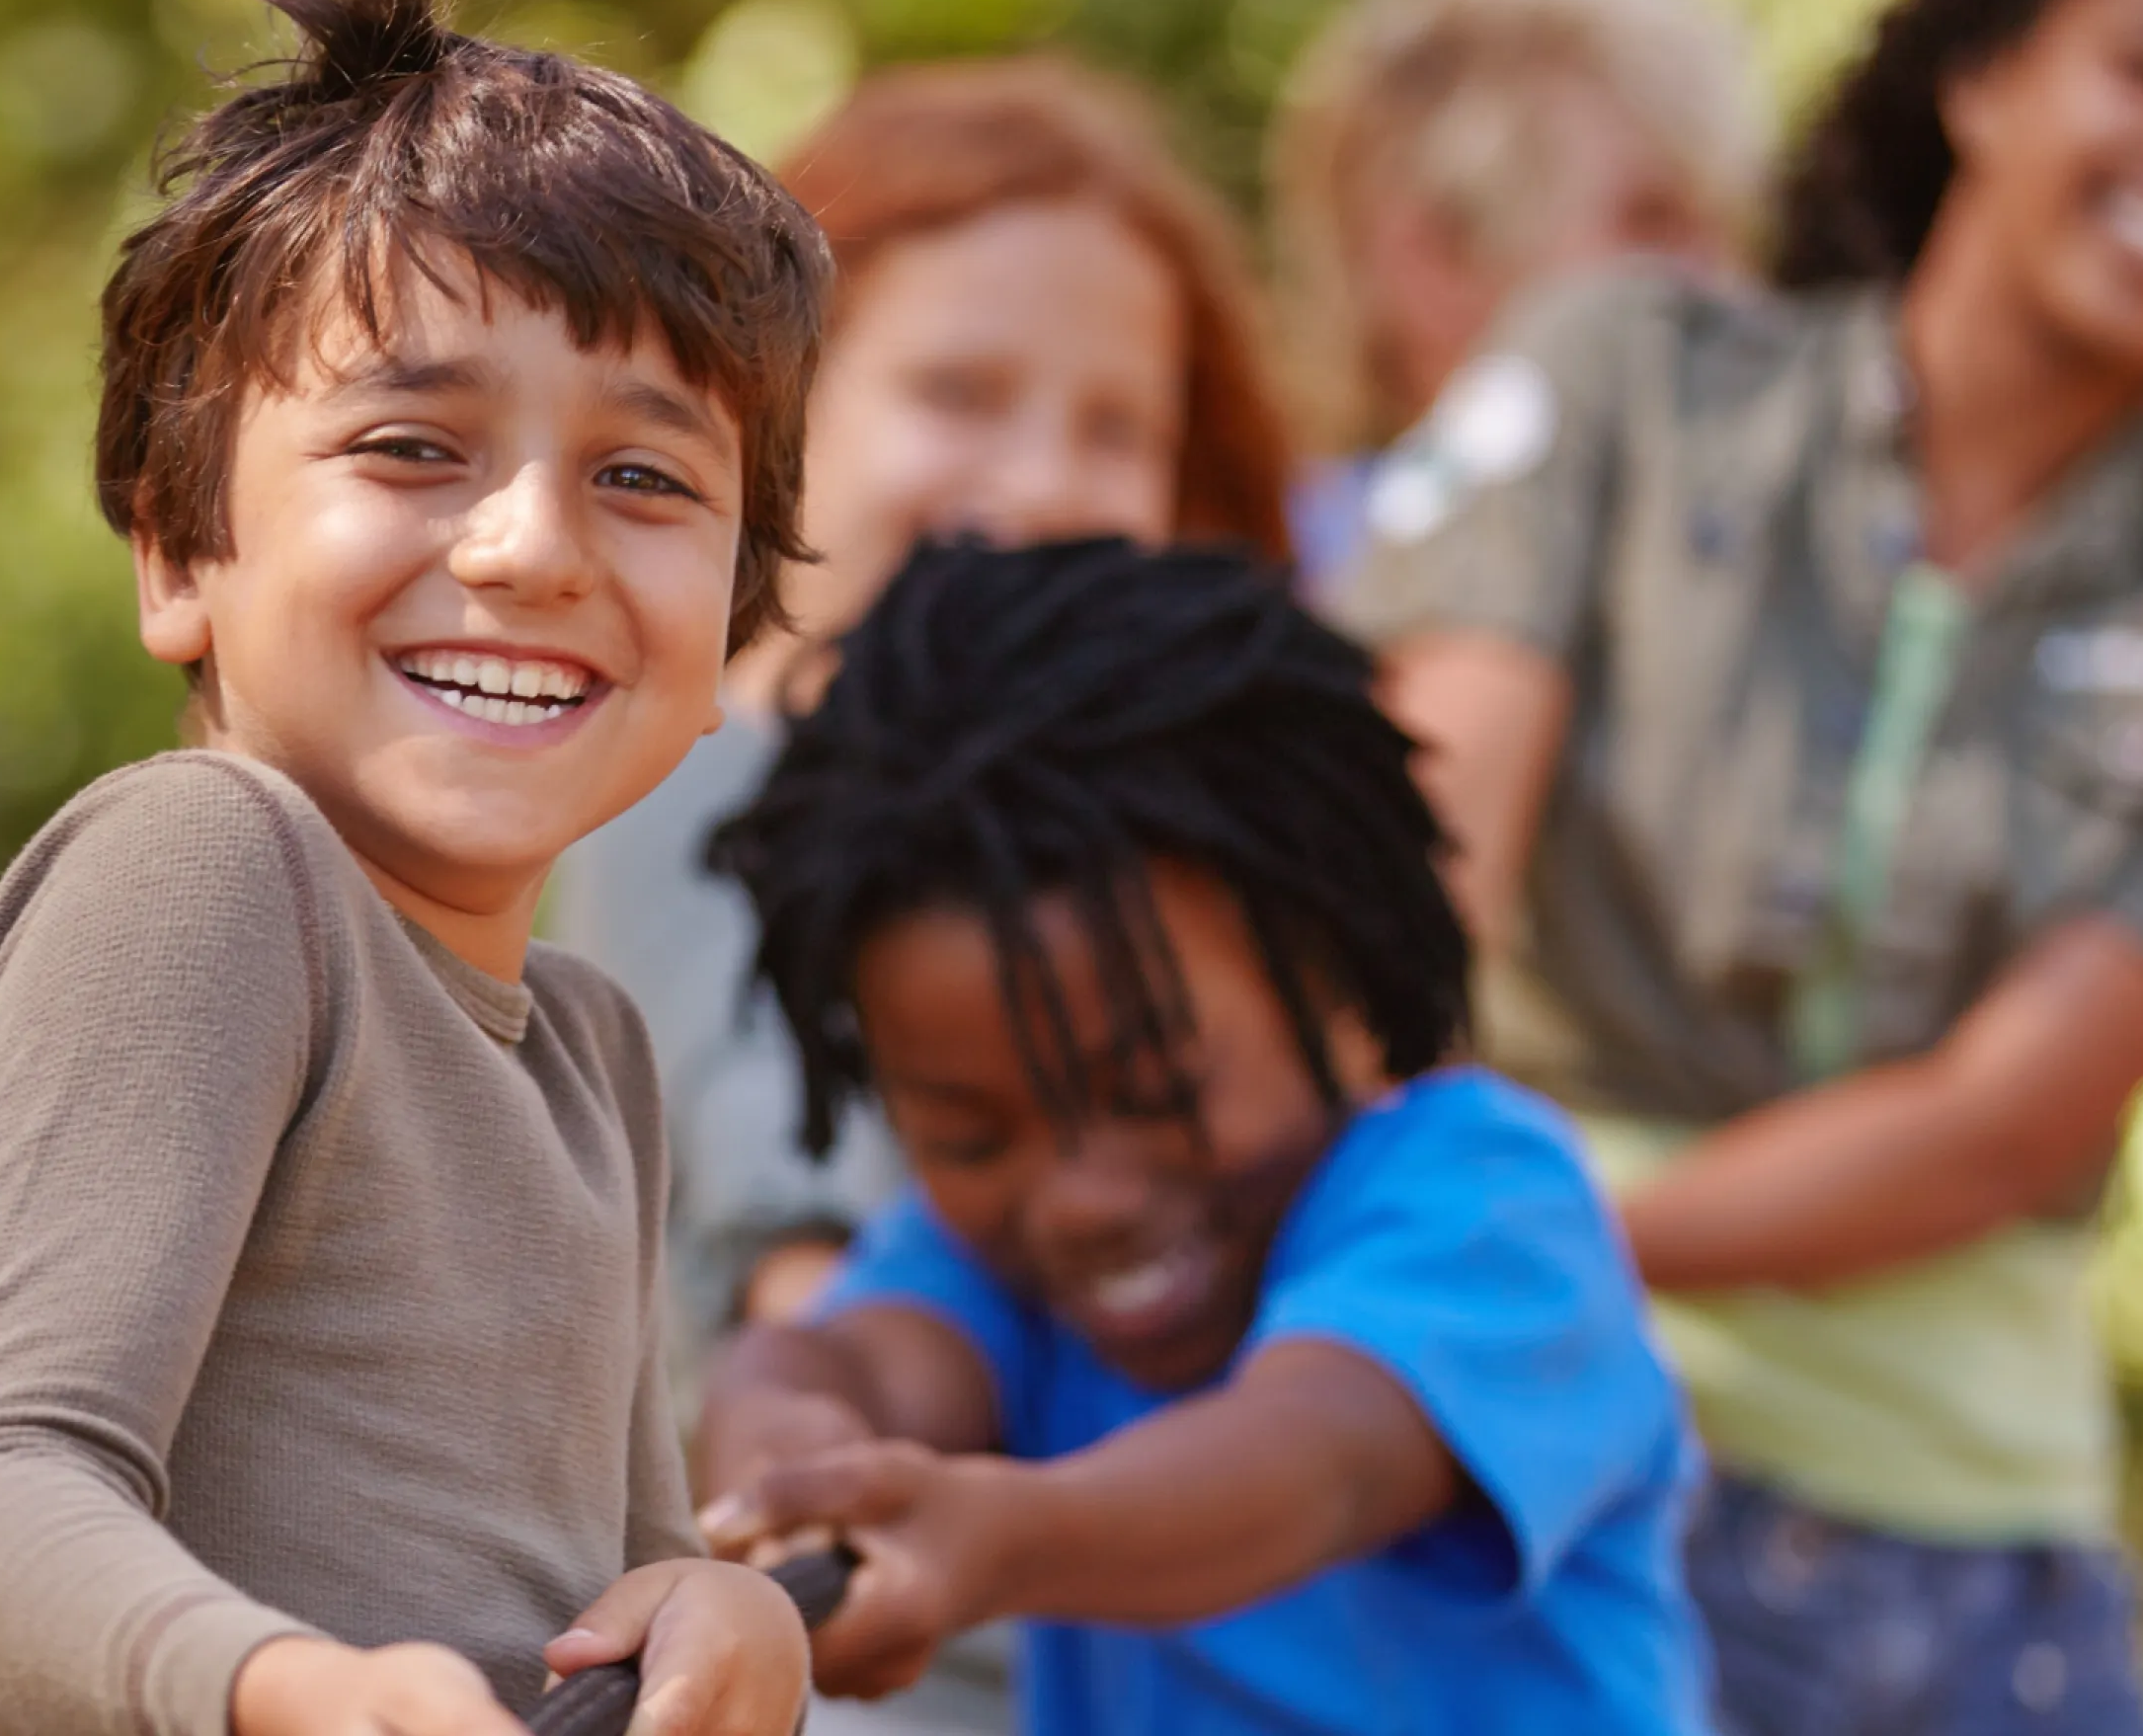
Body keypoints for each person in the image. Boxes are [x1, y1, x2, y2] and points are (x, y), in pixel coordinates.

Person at [1344, 0, 2143, 1735]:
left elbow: (2012, 1125)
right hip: (1534, 1490)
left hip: (1976, 1593)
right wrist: (1420, 1282)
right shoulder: (1625, 374)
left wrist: (1537, 1235)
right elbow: (1406, 859)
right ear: (1991, 64)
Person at [0, 0, 827, 1736]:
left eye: (641, 477)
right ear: (174, 544)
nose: (530, 547)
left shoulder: (592, 1052)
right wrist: (286, 1689)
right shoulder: (212, 873)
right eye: (410, 448)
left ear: (733, 630)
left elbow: (589, 1597)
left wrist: (712, 1607)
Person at [546, 58, 1293, 1734]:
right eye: (960, 390)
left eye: (1118, 429)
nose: (1035, 487)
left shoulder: (1205, 863)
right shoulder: (701, 780)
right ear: (777, 414)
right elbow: (795, 1257)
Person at [690, 537, 1707, 1734]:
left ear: (1332, 975)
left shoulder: (1483, 1207)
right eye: (969, 1138)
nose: (1081, 1201)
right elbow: (857, 1361)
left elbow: (1312, 1465)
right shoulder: (992, 1268)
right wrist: (786, 1445)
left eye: (1155, 1090)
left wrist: (999, 1539)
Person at [1269, 0, 1765, 592]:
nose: (1729, 287)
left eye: (1725, 230)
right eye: (1650, 224)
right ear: (1435, 260)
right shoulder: (1286, 595)